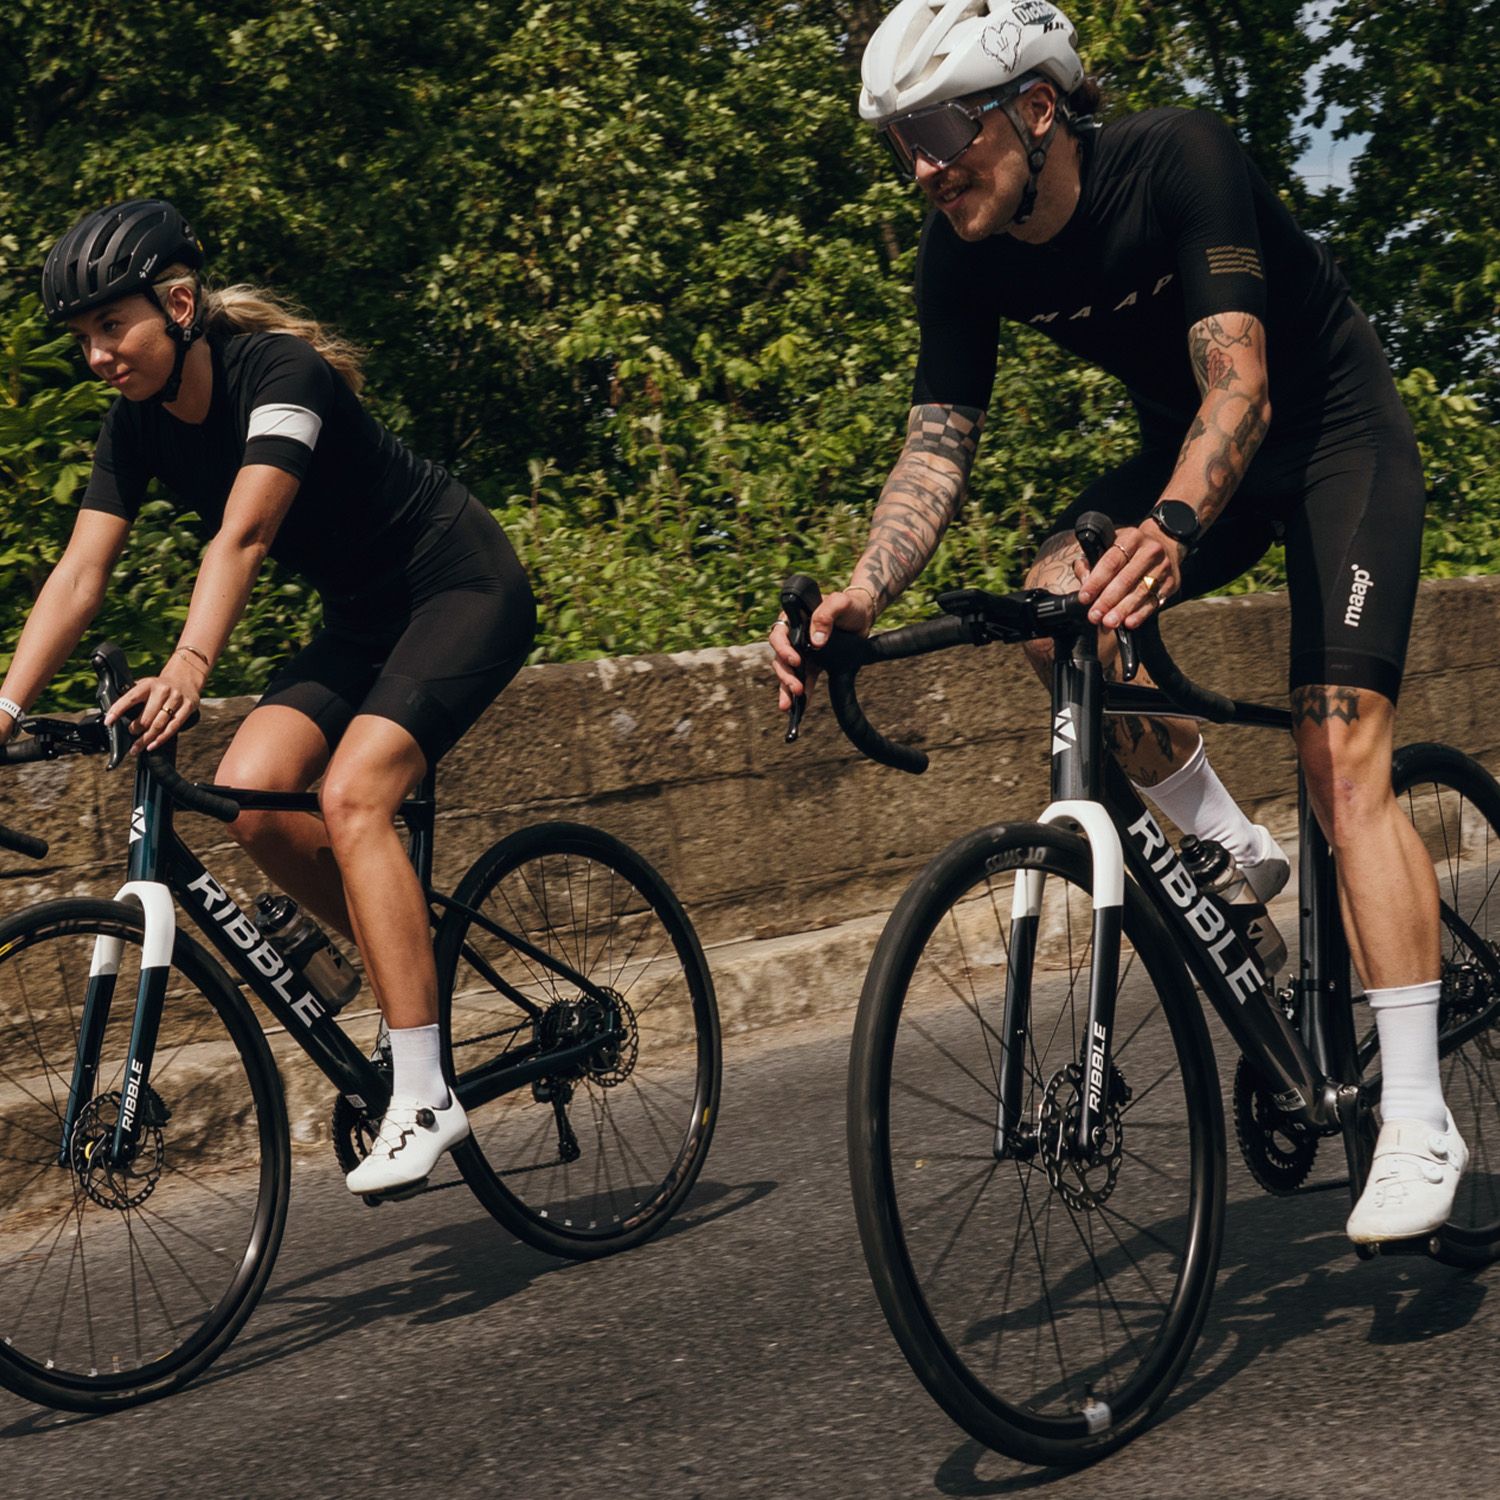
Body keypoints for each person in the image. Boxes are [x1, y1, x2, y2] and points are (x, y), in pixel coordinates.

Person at [769, 0, 1462, 1242]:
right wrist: (860, 593)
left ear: (1036, 107)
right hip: (1194, 455)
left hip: (1332, 440)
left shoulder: (1179, 158)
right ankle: (1229, 841)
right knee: (1056, 606)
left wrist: (1174, 527)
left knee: (1340, 749)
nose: (923, 167)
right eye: (901, 142)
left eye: (942, 130)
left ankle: (1417, 1117)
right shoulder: (961, 250)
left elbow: (1238, 384)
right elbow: (936, 450)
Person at [0, 199, 536, 1196]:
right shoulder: (135, 426)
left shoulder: (283, 374)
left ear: (179, 305)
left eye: (112, 327)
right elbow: (80, 574)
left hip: (460, 588)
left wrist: (190, 663)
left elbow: (242, 537)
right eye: (83, 338)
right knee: (250, 795)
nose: (98, 356)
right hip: (364, 619)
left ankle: (425, 1093)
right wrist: (6, 706)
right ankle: (407, 966)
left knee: (354, 795)